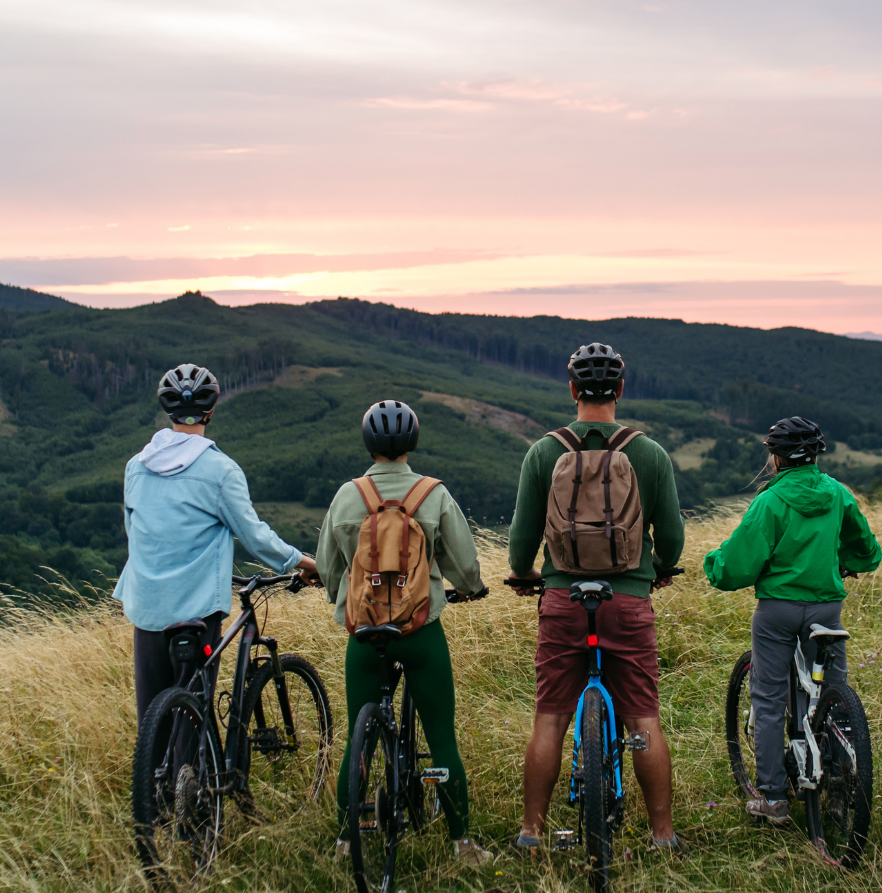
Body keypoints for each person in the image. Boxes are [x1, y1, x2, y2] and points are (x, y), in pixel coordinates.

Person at [507, 342, 687, 851]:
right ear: (621, 390)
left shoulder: (544, 452)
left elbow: (521, 542)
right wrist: (660, 569)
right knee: (643, 717)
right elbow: (671, 538)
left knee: (550, 719)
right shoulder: (648, 453)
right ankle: (663, 835)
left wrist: (527, 573)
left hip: (564, 600)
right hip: (628, 601)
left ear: (572, 390)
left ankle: (532, 833)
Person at [317, 399, 494, 866]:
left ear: (368, 443)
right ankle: (461, 845)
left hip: (364, 636)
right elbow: (464, 565)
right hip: (420, 632)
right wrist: (471, 590)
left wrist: (346, 600)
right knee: (442, 739)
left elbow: (329, 569)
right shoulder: (433, 494)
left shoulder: (347, 496)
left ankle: (344, 843)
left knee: (358, 740)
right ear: (412, 442)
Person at [703, 416, 882, 826]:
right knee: (833, 694)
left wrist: (712, 565)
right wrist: (845, 564)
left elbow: (736, 566)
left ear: (776, 457)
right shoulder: (838, 493)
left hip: (777, 612)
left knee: (767, 699)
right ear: (816, 454)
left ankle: (772, 799)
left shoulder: (770, 501)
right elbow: (867, 550)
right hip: (826, 609)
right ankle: (840, 787)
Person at [114, 364, 319, 722]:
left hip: (145, 604)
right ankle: (189, 777)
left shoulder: (136, 466)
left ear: (168, 411)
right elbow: (256, 537)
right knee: (193, 715)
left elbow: (134, 530)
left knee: (153, 718)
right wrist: (305, 563)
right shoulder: (220, 470)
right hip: (194, 608)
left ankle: (154, 778)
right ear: (210, 410)